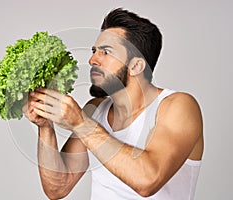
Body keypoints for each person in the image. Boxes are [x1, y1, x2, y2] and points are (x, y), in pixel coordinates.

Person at [23, 8, 204, 200]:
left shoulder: (178, 106)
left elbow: (147, 181)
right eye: (94, 51)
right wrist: (45, 126)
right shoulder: (95, 110)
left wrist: (81, 124)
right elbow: (57, 188)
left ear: (136, 66)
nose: (92, 60)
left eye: (106, 52)